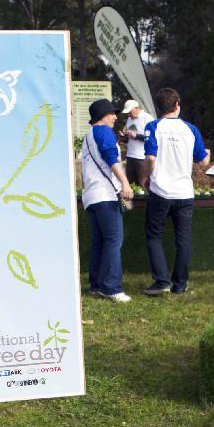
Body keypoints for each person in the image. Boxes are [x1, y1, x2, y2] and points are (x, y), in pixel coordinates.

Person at [142, 87, 210, 295]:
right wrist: (208, 153)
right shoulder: (191, 129)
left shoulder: (153, 126)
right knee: (183, 240)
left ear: (158, 107)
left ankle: (161, 280)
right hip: (184, 192)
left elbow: (151, 158)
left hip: (161, 190)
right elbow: (203, 161)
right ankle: (180, 283)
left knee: (154, 235)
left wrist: (145, 177)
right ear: (177, 105)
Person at [80, 99, 134, 302]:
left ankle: (96, 284)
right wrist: (125, 183)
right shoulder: (103, 131)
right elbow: (112, 158)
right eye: (112, 113)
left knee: (99, 242)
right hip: (105, 195)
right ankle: (112, 287)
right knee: (113, 240)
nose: (115, 117)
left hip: (91, 196)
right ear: (103, 114)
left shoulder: (88, 136)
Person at [120, 99, 154, 188]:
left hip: (142, 157)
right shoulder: (129, 119)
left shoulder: (147, 118)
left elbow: (152, 138)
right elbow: (129, 138)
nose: (129, 115)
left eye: (130, 112)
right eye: (127, 113)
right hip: (130, 156)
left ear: (136, 108)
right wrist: (124, 137)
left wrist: (136, 136)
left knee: (143, 185)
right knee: (131, 185)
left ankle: (145, 202)